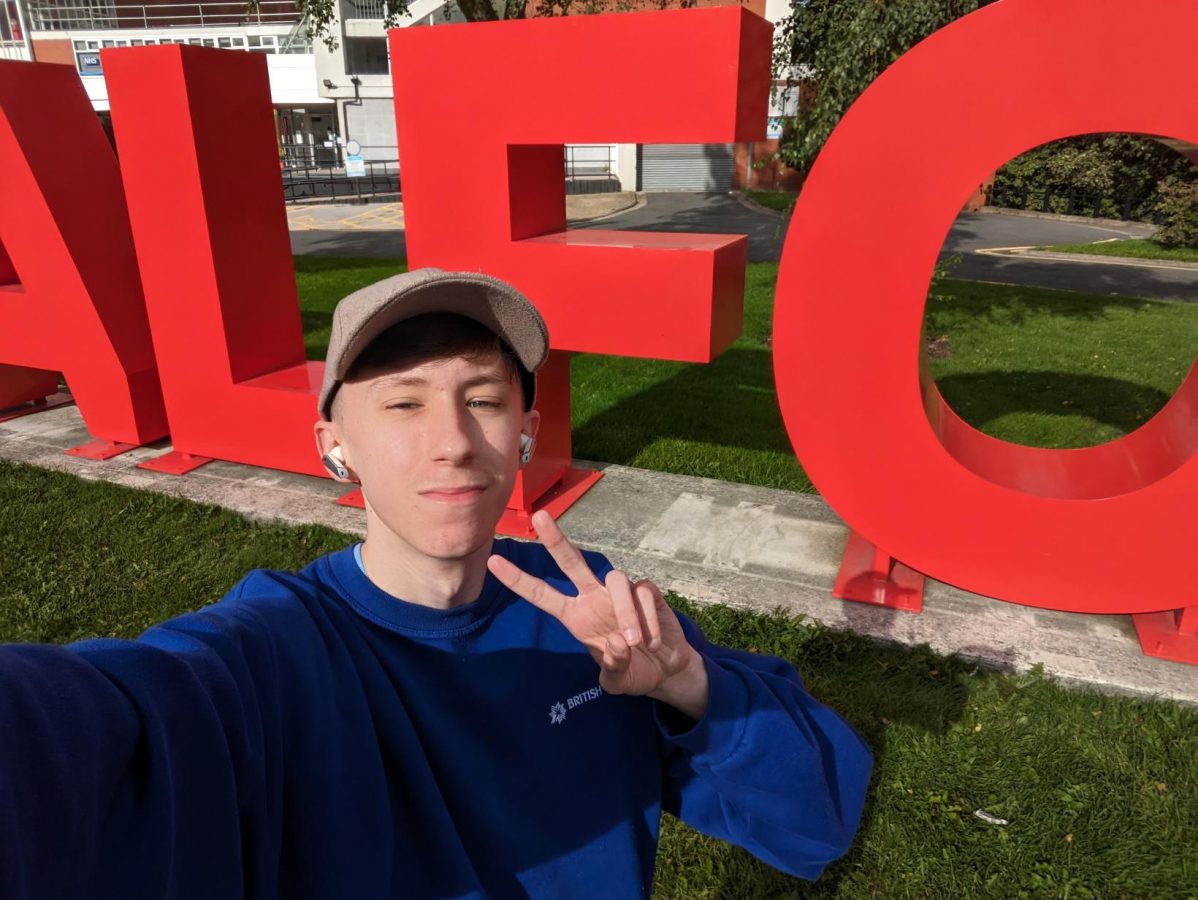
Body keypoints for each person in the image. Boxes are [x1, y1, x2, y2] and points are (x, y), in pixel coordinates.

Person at [0, 268, 872, 898]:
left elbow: (817, 823)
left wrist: (690, 688)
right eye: (403, 402)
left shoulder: (594, 616)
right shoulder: (273, 648)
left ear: (526, 432)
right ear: (332, 442)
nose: (454, 441)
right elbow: (87, 730)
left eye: (484, 400)